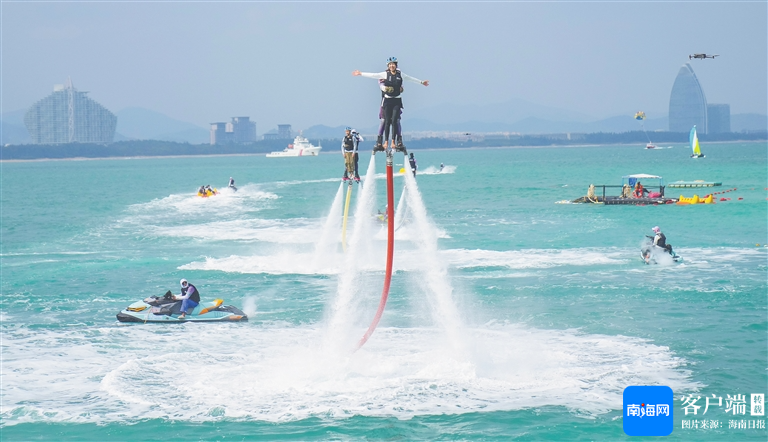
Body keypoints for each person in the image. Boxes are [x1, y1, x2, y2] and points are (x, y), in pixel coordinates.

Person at [353, 57, 429, 152]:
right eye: (390, 64)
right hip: (387, 101)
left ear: (396, 65)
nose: (391, 66)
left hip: (397, 100)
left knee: (395, 121)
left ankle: (393, 141)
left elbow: (410, 78)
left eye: (393, 64)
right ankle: (385, 142)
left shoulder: (400, 74)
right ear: (388, 66)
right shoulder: (385, 74)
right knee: (387, 121)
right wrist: (361, 73)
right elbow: (374, 75)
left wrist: (421, 82)